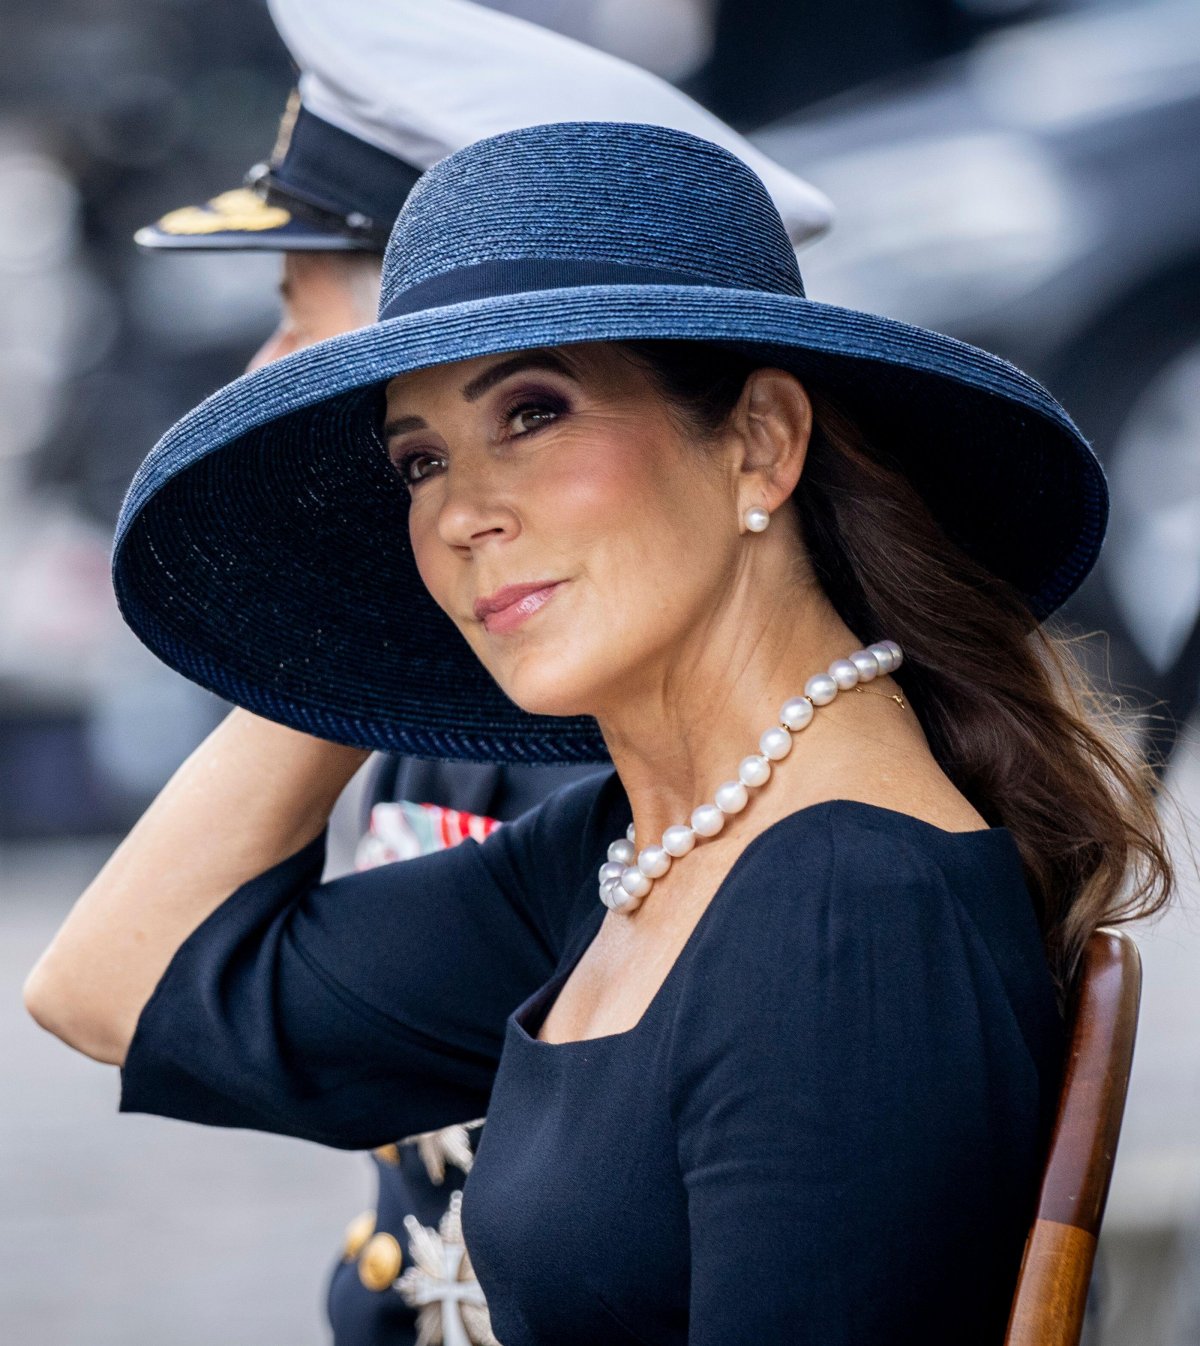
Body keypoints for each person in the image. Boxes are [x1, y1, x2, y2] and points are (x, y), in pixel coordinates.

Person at [25, 120, 1172, 1344]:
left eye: (532, 411)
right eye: (418, 460)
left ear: (762, 440)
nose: (463, 511)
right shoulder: (638, 851)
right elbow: (118, 987)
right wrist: (344, 644)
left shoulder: (848, 910)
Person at [120, 4, 835, 1342]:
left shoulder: (712, 804)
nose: (267, 370)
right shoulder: (600, 761)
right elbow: (113, 986)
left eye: (305, 322)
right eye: (420, 450)